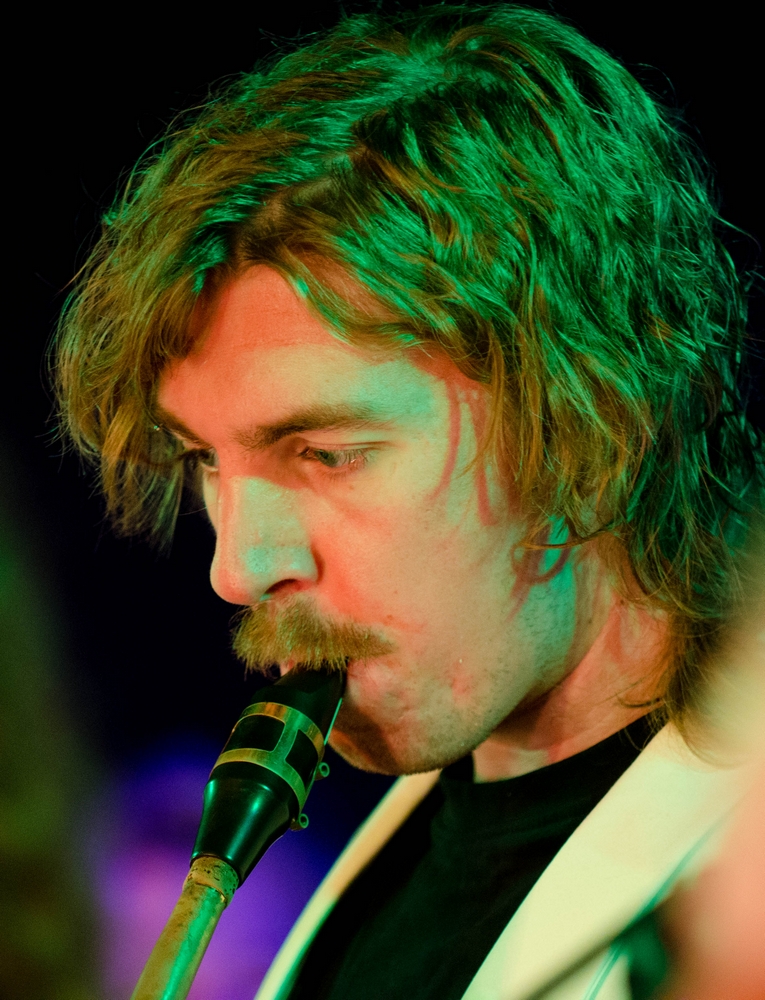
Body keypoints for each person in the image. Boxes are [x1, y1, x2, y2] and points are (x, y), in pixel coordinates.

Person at [53, 4, 764, 998]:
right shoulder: (407, 845)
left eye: (326, 453)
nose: (237, 568)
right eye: (203, 459)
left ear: (589, 416)